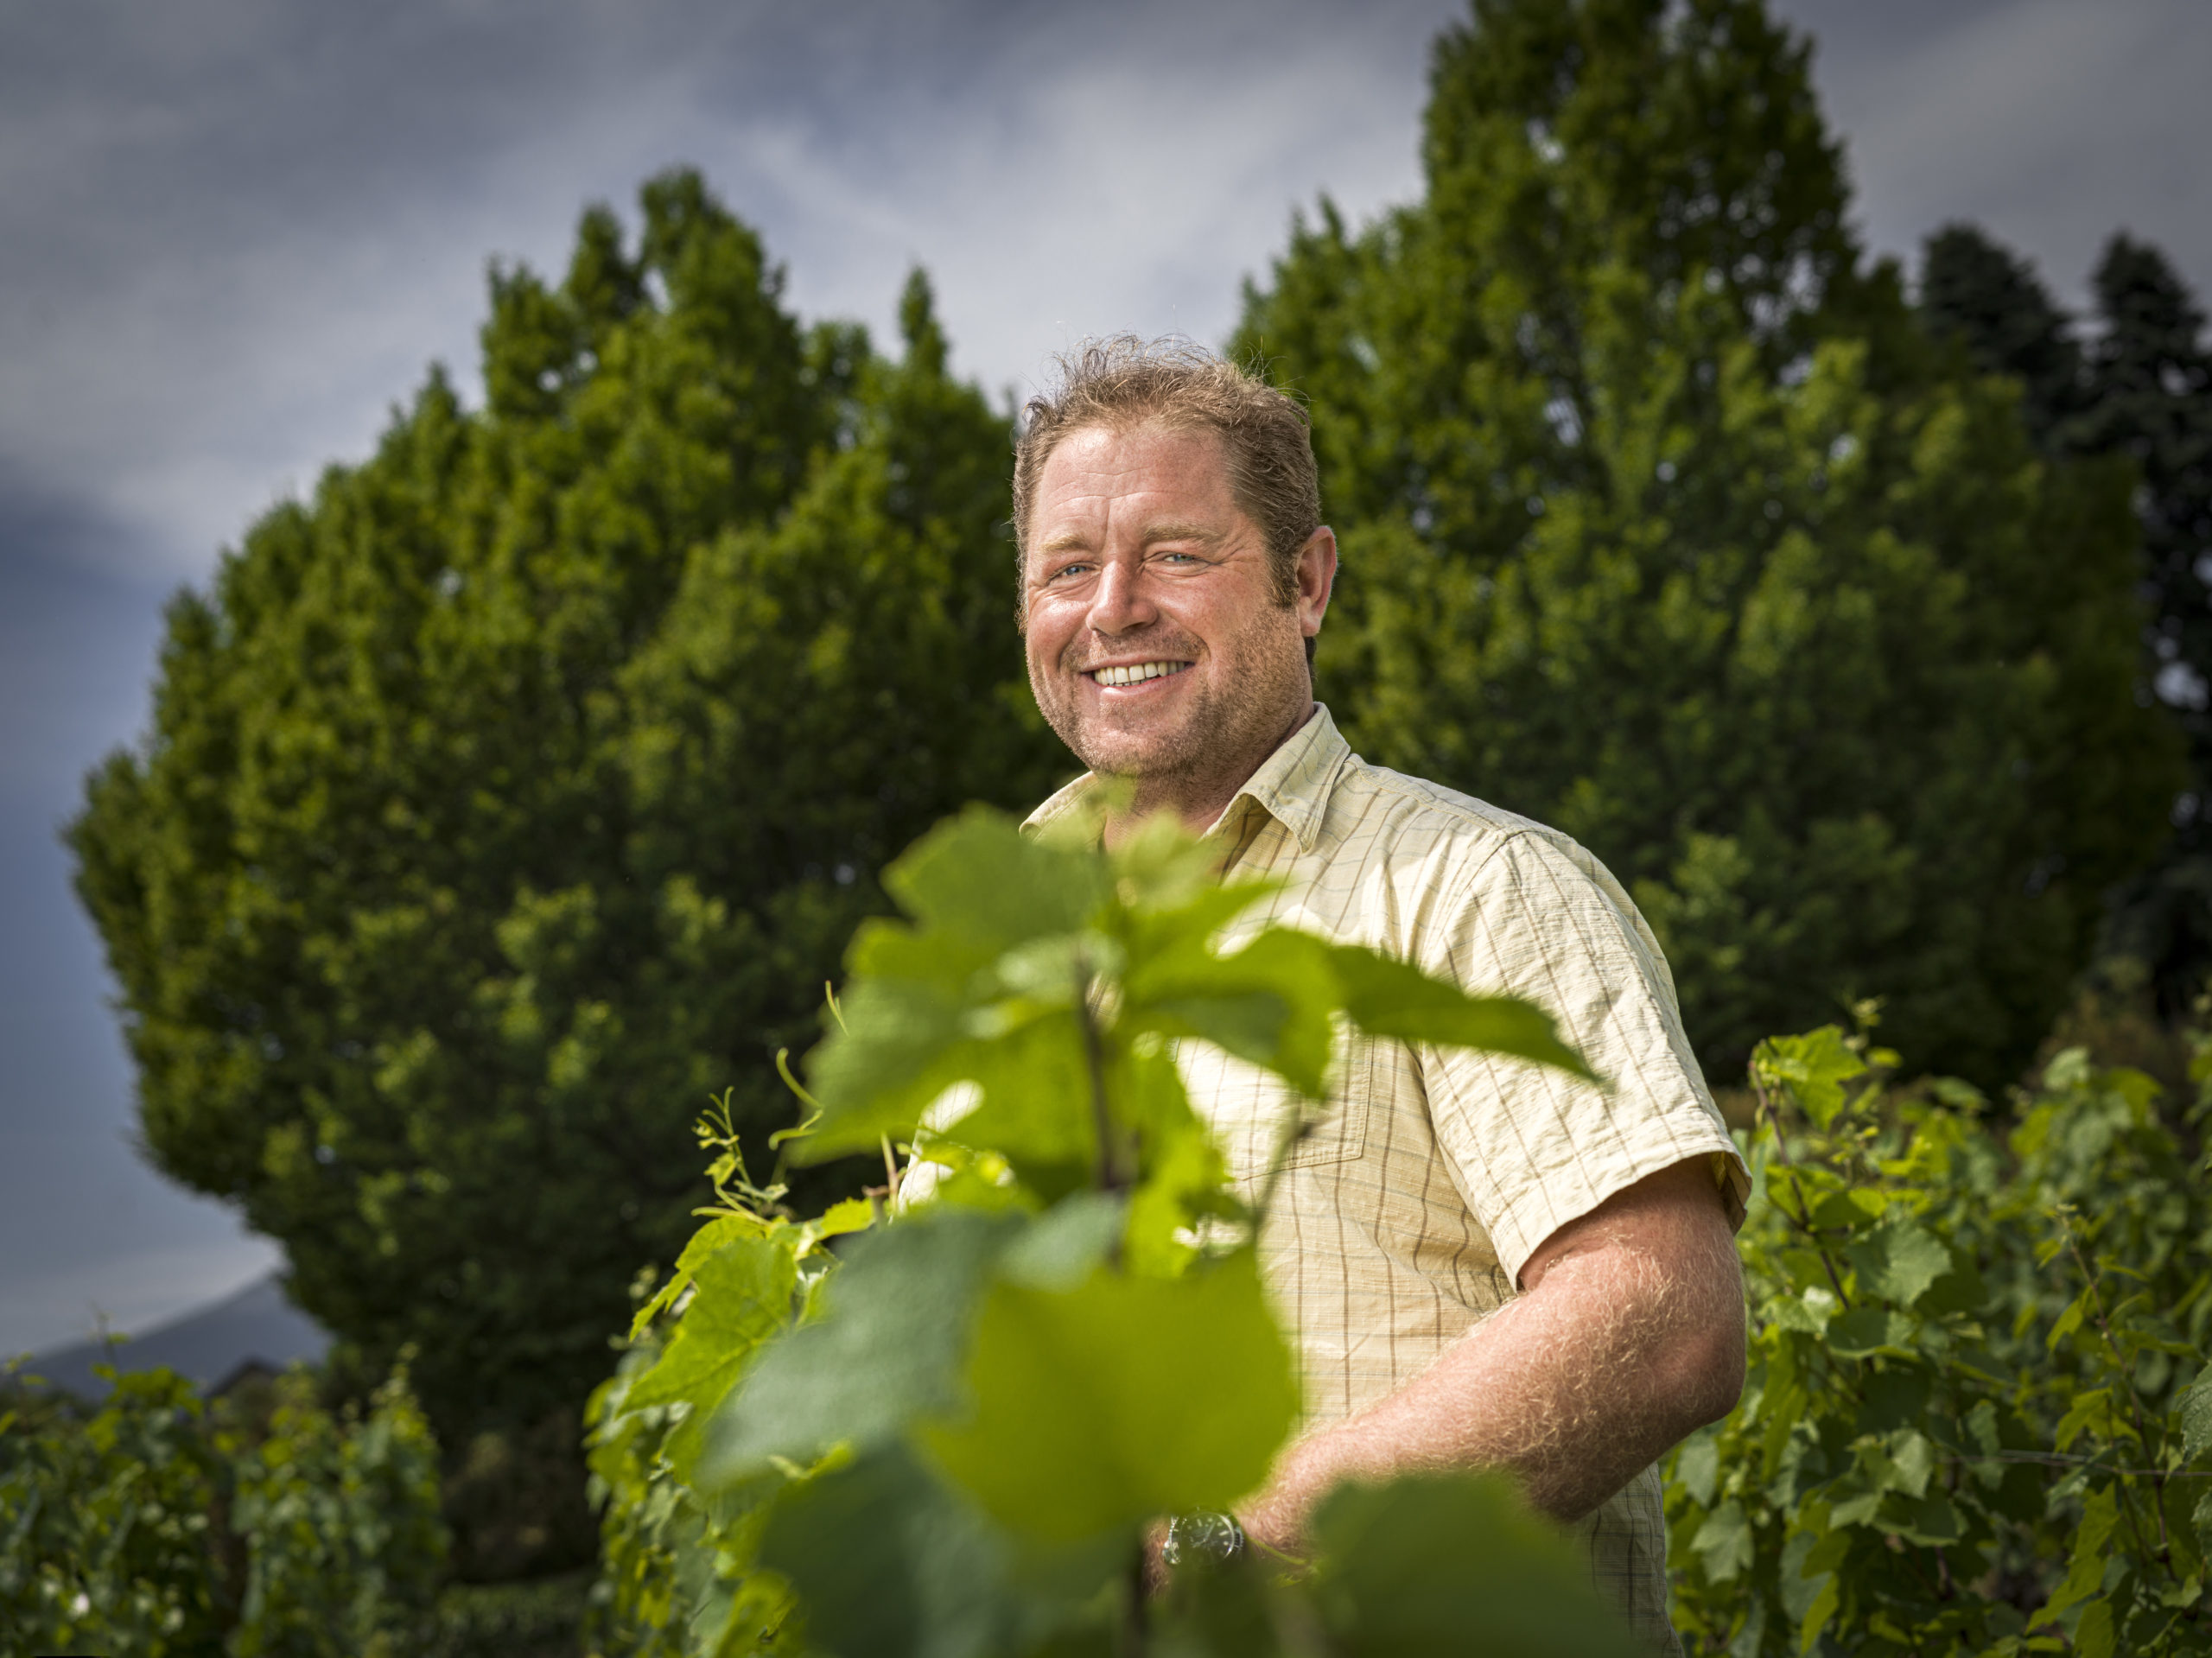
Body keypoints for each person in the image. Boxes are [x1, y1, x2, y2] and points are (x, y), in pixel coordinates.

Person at [1013, 338, 1748, 1652]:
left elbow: (1662, 1320)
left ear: (1306, 582)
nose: (1112, 608)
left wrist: (1219, 1551)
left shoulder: (1478, 890)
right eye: (1068, 568)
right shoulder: (1008, 954)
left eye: (1174, 554)